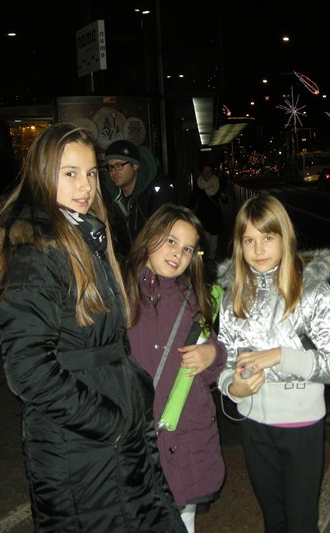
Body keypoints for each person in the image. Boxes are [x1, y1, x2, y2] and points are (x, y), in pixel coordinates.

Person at [0, 123, 185, 532]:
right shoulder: (32, 251)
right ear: (41, 174)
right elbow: (28, 370)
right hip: (80, 446)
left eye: (91, 173)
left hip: (114, 438)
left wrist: (132, 395)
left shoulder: (84, 234)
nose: (85, 186)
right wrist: (110, 422)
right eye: (70, 173)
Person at [215, 193, 330, 533]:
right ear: (239, 245)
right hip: (253, 424)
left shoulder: (312, 290)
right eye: (249, 240)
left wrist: (281, 356)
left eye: (267, 237)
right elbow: (226, 359)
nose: (258, 249)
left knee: (301, 523)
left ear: (284, 238)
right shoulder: (234, 293)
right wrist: (232, 386)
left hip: (301, 425)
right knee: (273, 520)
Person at [124, 204, 227, 533]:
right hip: (137, 434)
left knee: (184, 520)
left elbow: (213, 359)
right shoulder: (120, 292)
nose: (178, 254)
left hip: (186, 431)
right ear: (150, 237)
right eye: (171, 241)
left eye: (187, 249)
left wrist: (212, 355)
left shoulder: (196, 299)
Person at [100, 139, 177, 261]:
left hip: (151, 261)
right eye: (110, 167)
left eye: (119, 166)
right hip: (123, 262)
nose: (113, 172)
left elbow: (164, 234)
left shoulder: (158, 192)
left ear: (135, 165)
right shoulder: (109, 194)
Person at [191, 164, 223, 265]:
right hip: (203, 215)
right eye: (205, 171)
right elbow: (193, 198)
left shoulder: (217, 182)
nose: (207, 173)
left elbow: (224, 197)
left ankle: (212, 257)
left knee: (214, 238)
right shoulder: (198, 184)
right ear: (202, 172)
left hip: (215, 215)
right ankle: (203, 257)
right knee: (205, 238)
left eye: (209, 171)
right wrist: (189, 209)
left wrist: (224, 196)